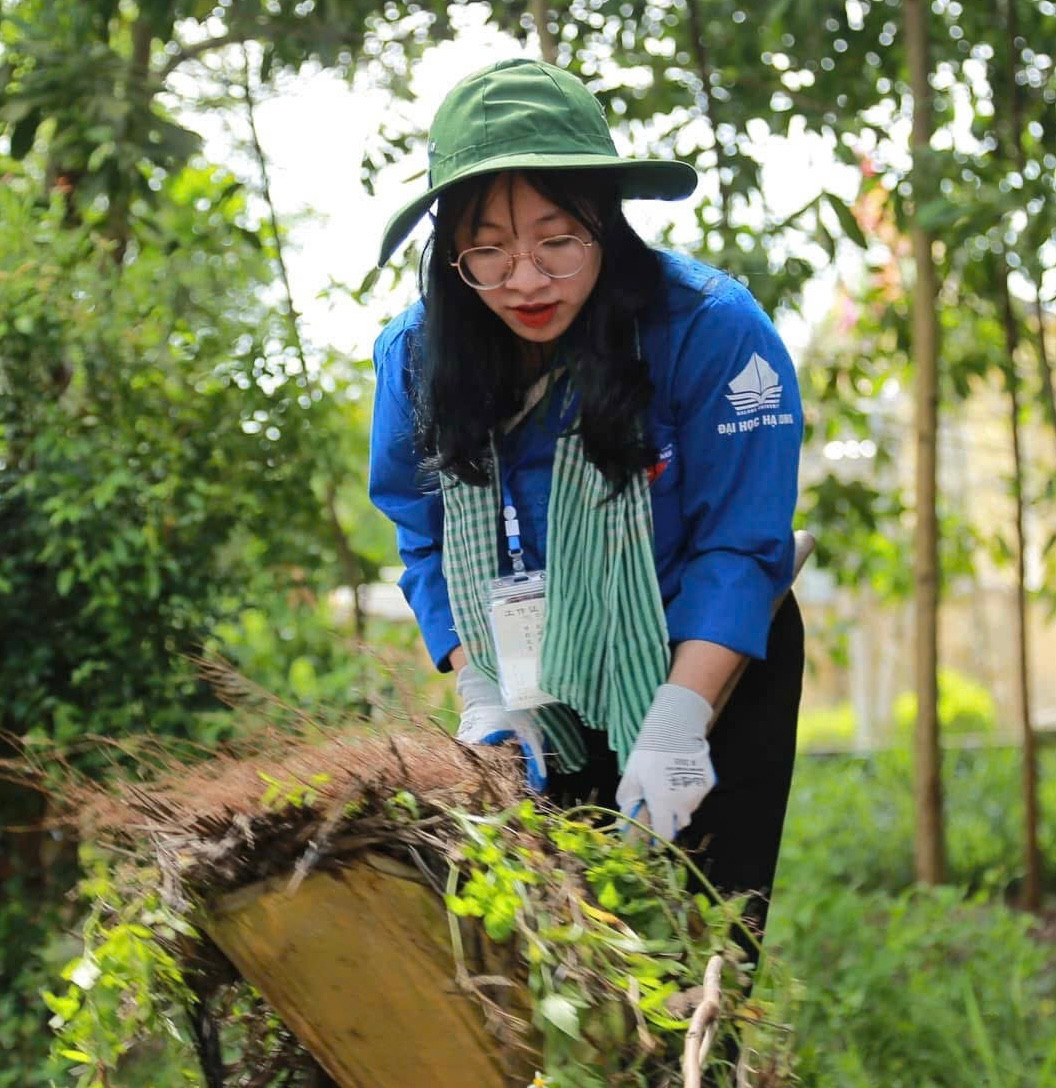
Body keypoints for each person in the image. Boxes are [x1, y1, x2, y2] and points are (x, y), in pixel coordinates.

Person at [368, 57, 804, 931]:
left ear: (606, 222)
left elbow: (740, 542)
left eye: (558, 240)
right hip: (531, 681)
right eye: (487, 249)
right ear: (451, 249)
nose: (525, 280)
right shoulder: (417, 356)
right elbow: (422, 532)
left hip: (703, 656)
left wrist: (682, 717)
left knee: (696, 940)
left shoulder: (712, 328)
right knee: (554, 945)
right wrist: (479, 688)